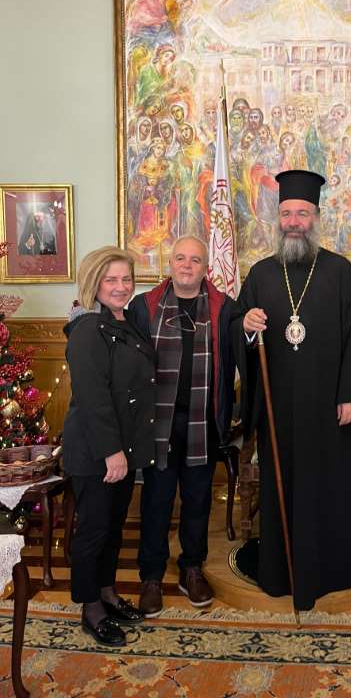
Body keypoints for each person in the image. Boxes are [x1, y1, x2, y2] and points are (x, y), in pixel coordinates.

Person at [235, 170, 351, 611]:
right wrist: (246, 326)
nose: (294, 222)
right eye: (287, 214)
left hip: (328, 406)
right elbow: (239, 329)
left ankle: (328, 570)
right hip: (278, 406)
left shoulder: (339, 270)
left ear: (316, 217)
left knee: (326, 486)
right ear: (278, 219)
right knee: (282, 485)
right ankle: (280, 571)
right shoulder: (261, 273)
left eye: (303, 213)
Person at [128, 235, 237, 617]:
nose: (187, 265)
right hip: (157, 423)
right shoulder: (144, 306)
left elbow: (243, 352)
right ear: (170, 263)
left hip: (202, 421)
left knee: (197, 500)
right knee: (156, 501)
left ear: (206, 267)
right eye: (180, 258)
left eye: (195, 259)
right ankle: (151, 576)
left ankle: (192, 568)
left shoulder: (224, 308)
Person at [62, 246, 155, 646]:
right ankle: (91, 609)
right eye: (111, 280)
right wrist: (111, 452)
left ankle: (107, 593)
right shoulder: (87, 329)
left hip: (122, 449)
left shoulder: (125, 321)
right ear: (94, 283)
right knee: (94, 531)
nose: (121, 287)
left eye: (126, 279)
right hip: (96, 453)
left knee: (113, 528)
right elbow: (93, 398)